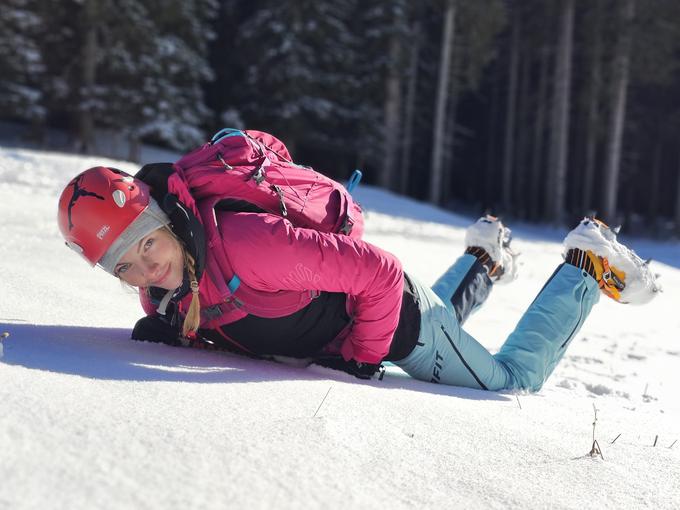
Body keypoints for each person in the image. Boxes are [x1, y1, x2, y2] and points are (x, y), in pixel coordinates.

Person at [57, 165, 659, 392]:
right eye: (123, 266)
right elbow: (212, 314)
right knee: (440, 323)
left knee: (509, 380)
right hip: (385, 321)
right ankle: (484, 257)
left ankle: (584, 265)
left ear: (163, 217)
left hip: (402, 324)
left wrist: (363, 360)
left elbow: (379, 273)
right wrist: (178, 333)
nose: (144, 268)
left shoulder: (245, 246)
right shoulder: (164, 286)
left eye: (146, 244)